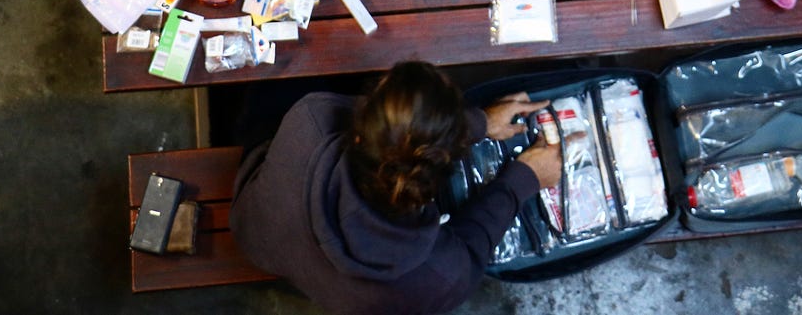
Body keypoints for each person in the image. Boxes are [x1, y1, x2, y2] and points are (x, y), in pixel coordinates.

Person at [231, 61, 561, 315]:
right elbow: (474, 242)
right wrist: (525, 178)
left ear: (358, 132)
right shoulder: (435, 278)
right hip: (286, 247)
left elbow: (391, 134)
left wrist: (479, 123)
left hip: (259, 234)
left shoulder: (311, 118)